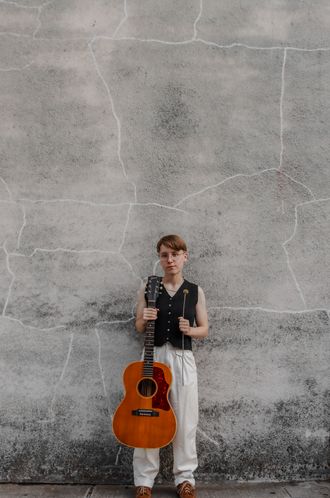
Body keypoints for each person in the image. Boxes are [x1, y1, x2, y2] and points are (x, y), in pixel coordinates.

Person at [133, 234, 208, 498]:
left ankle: (185, 479)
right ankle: (144, 480)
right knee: (146, 417)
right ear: (159, 258)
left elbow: (205, 328)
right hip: (153, 357)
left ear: (185, 256)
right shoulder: (148, 286)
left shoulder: (195, 290)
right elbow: (139, 326)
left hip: (182, 358)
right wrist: (144, 317)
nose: (170, 259)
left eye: (175, 254)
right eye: (164, 255)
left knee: (186, 419)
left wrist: (191, 330)